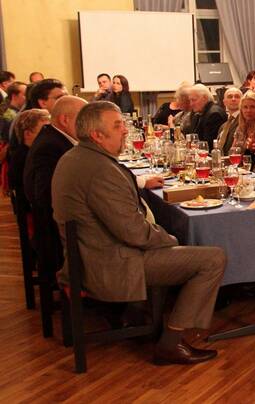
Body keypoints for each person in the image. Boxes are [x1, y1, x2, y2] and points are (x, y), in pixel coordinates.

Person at [51, 101, 226, 365]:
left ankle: (139, 315)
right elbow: (134, 232)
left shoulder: (77, 157)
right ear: (97, 135)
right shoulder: (99, 170)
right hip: (109, 264)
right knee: (212, 259)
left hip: (91, 255)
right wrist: (170, 239)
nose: (124, 130)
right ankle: (171, 344)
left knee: (170, 242)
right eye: (117, 126)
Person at [24, 96, 87, 278]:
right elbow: (45, 197)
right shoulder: (51, 146)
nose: (88, 124)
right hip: (57, 236)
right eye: (83, 118)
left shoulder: (54, 138)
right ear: (65, 120)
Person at [7, 109, 50, 216]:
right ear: (27, 134)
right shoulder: (23, 156)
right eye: (44, 131)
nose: (49, 135)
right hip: (29, 211)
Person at [188, 84, 226, 150]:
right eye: (190, 100)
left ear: (205, 98)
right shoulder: (197, 114)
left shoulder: (214, 115)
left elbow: (209, 145)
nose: (191, 104)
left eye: (194, 100)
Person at [231, 92, 255, 158]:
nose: (248, 110)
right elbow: (233, 151)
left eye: (252, 107)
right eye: (245, 107)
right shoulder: (240, 128)